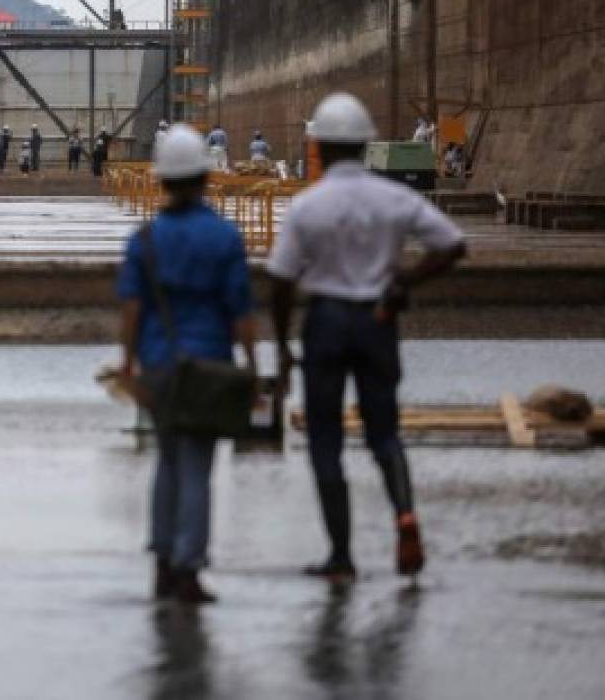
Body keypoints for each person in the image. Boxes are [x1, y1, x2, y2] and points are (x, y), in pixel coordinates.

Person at [267, 92, 467, 582]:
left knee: (325, 440)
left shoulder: (307, 207)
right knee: (384, 433)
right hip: (378, 318)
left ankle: (341, 557)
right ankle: (405, 517)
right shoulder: (395, 198)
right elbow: (452, 245)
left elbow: (280, 279)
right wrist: (404, 282)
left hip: (327, 321)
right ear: (364, 145)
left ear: (321, 147)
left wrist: (283, 343)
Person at [117, 124, 257, 604]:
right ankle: (188, 568)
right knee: (198, 467)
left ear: (161, 180)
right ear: (204, 177)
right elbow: (241, 310)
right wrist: (252, 365)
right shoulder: (224, 237)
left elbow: (132, 310)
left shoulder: (144, 241)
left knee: (168, 460)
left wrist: (128, 364)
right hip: (209, 365)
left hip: (158, 365)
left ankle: (161, 562)